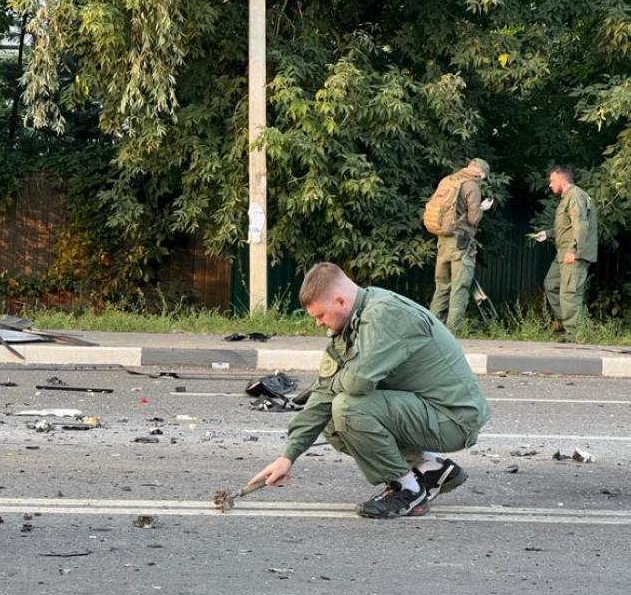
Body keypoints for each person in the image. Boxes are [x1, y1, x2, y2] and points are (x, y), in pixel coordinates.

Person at [249, 263, 491, 519]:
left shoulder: (385, 316)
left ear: (340, 301)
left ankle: (407, 491)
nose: (318, 324)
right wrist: (287, 456)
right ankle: (429, 468)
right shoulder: (351, 325)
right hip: (426, 410)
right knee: (331, 418)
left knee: (348, 407)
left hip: (453, 418)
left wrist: (331, 387)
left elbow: (356, 383)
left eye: (320, 316)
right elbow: (322, 394)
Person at [530, 165, 598, 341]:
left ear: (562, 180)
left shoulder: (575, 196)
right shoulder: (567, 198)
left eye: (552, 181)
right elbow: (566, 226)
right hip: (562, 254)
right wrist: (548, 234)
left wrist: (574, 251)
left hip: (572, 254)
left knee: (569, 294)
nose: (550, 185)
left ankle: (574, 337)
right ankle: (565, 325)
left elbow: (581, 226)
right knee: (551, 284)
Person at [428, 158, 494, 334]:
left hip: (443, 240)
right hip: (461, 243)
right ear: (481, 173)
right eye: (483, 177)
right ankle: (452, 334)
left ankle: (433, 332)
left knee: (442, 286)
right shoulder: (472, 185)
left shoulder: (447, 180)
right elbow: (473, 219)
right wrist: (482, 208)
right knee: (460, 288)